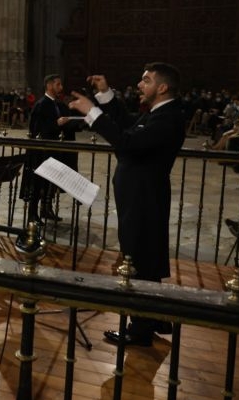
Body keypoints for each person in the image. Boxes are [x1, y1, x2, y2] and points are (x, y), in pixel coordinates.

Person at [68, 62, 186, 347]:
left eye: (146, 80)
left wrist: (92, 112)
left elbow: (126, 141)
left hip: (144, 197)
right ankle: (155, 316)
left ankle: (140, 330)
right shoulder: (157, 114)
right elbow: (127, 124)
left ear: (162, 87)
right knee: (146, 257)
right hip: (141, 196)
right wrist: (106, 94)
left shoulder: (169, 118)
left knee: (139, 258)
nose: (140, 85)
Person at [24, 74, 82, 222]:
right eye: (58, 85)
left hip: (55, 150)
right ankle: (32, 213)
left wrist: (80, 122)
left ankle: (46, 209)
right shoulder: (41, 104)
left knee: (51, 181)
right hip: (42, 151)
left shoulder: (58, 104)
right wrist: (57, 124)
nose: (61, 88)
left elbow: (65, 122)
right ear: (49, 86)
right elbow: (37, 129)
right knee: (38, 183)